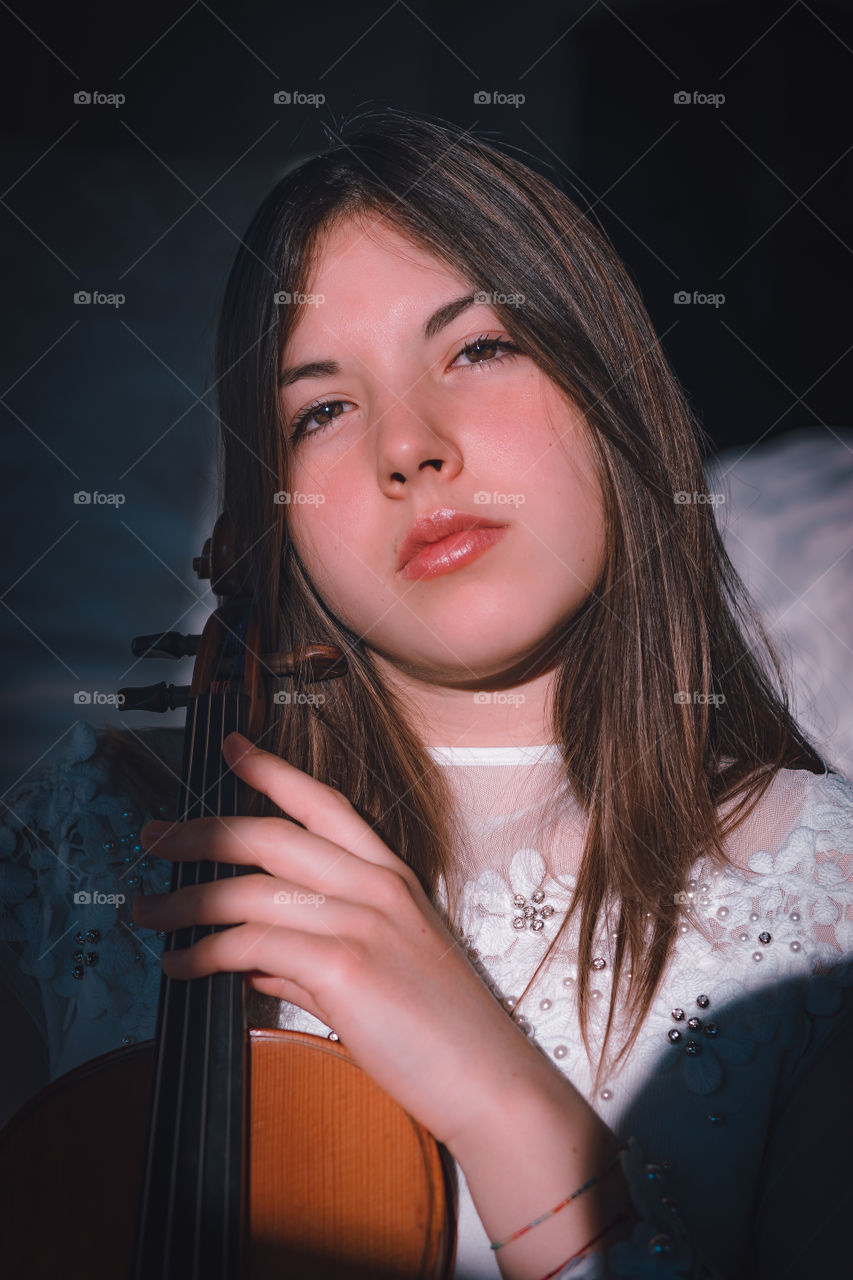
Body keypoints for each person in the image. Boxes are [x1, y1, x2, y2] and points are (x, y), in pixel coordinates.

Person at [2, 108, 852, 1280]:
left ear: (611, 391)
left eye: (476, 348)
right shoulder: (80, 845)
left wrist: (503, 1099)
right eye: (323, 409)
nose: (408, 445)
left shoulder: (824, 897)